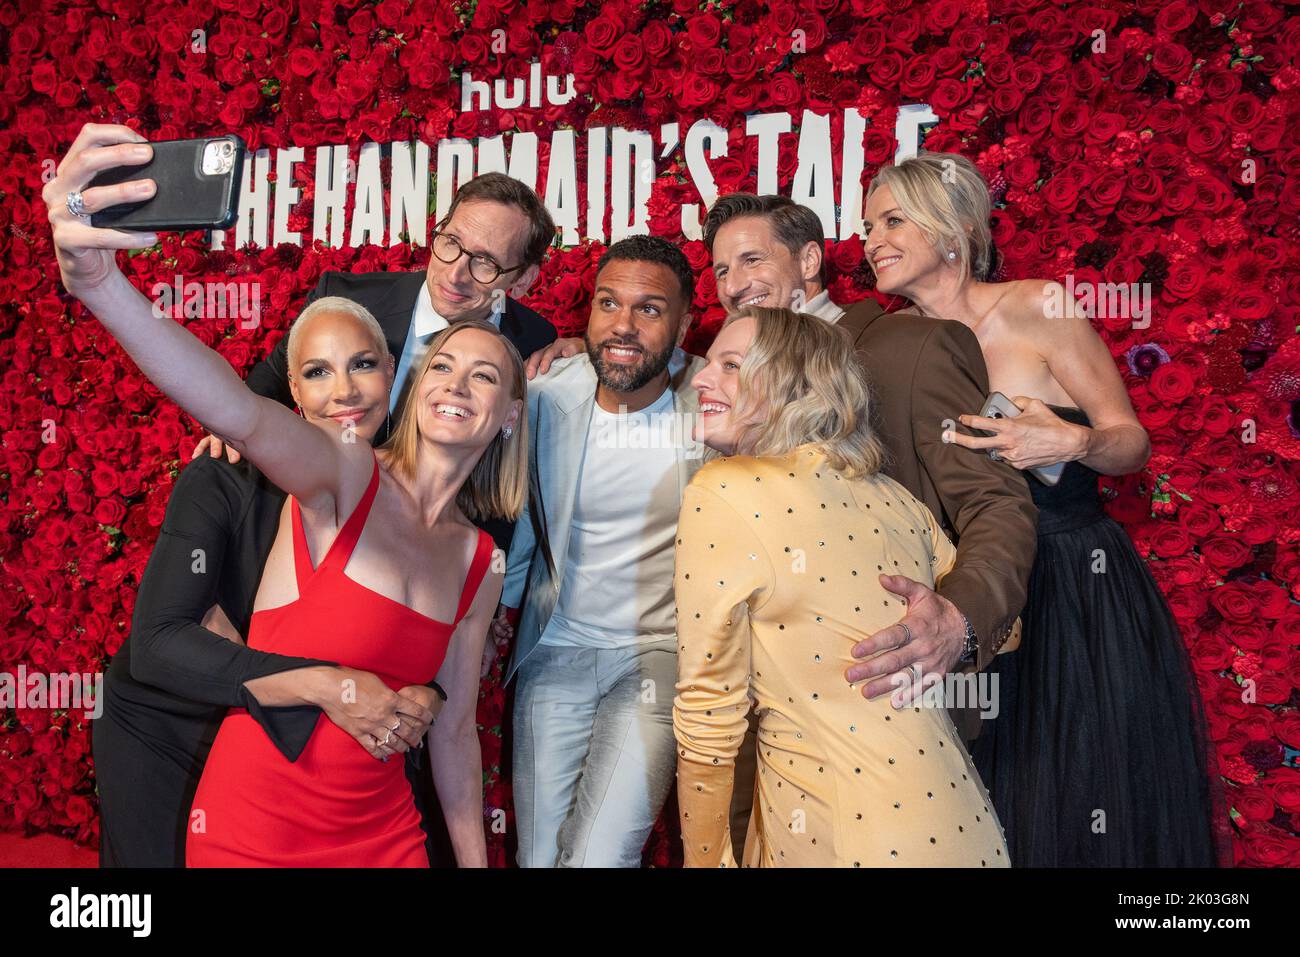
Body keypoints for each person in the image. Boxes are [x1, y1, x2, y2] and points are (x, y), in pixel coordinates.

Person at [46, 123, 526, 866]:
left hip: (386, 834)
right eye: (441, 366)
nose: (457, 384)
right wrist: (104, 287)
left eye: (486, 375)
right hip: (248, 813)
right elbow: (231, 405)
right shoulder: (342, 470)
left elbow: (456, 727)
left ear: (510, 415)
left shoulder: (482, 558)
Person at [862, 151, 1221, 866]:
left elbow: (1131, 442)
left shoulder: (1038, 306)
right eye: (868, 225)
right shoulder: (888, 343)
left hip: (1072, 589)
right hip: (965, 593)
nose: (871, 240)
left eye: (892, 220)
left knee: (1073, 789)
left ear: (954, 228)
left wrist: (1072, 437)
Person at [194, 170, 558, 866]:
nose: (458, 270)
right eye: (451, 243)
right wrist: (232, 427)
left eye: (487, 262)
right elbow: (259, 401)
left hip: (403, 665)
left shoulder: (535, 345)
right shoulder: (344, 300)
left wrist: (427, 679)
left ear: (525, 277)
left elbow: (453, 719)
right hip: (291, 599)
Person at [93, 295, 442, 867]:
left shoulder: (404, 496)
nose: (345, 392)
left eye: (362, 364)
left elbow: (392, 631)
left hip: (283, 733)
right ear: (294, 392)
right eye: (317, 372)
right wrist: (325, 683)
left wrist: (429, 691)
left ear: (391, 374)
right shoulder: (224, 474)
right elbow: (159, 645)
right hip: (169, 723)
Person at [674, 305, 1009, 867]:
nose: (702, 379)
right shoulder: (897, 500)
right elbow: (1007, 625)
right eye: (709, 364)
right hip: (965, 827)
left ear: (796, 386)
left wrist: (704, 861)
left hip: (841, 838)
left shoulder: (724, 489)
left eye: (731, 366)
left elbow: (710, 715)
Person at [493, 235, 706, 867]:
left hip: (655, 655)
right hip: (554, 650)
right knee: (538, 858)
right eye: (608, 303)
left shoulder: (711, 408)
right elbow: (510, 523)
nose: (622, 325)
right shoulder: (547, 397)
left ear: (684, 323)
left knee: (597, 857)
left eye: (649, 309)